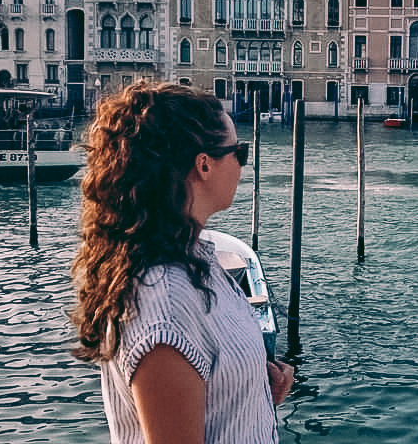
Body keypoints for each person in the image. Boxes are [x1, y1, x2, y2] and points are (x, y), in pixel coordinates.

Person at [70, 82, 294, 443]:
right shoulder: (167, 303)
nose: (242, 164)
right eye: (239, 152)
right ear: (203, 164)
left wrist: (253, 390)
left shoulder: (194, 260)